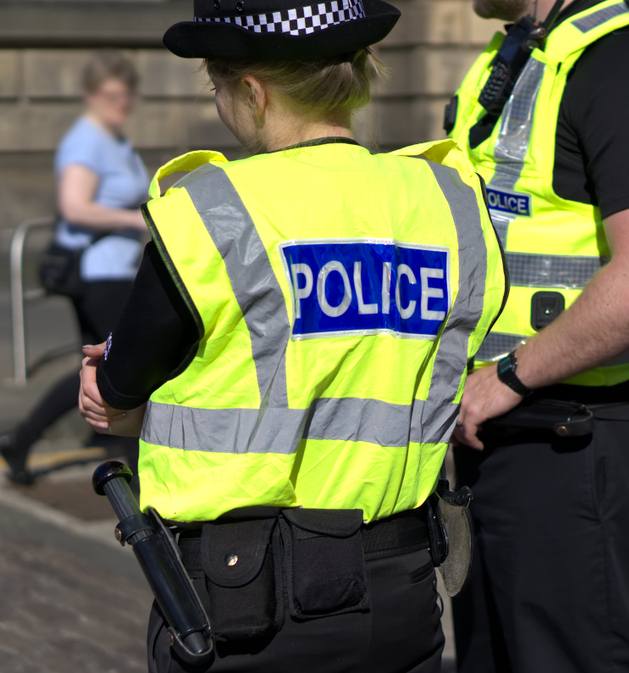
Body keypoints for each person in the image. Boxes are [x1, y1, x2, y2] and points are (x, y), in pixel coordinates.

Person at [76, 1, 508, 671]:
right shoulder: (445, 199)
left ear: (253, 90)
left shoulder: (213, 211)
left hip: (248, 605)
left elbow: (120, 391)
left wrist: (105, 391)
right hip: (402, 592)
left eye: (219, 87)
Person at [446, 0, 629, 671]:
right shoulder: (523, 52)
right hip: (506, 436)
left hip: (579, 445)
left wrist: (508, 376)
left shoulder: (628, 64)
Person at [0, 50, 147, 485]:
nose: (120, 105)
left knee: (97, 367)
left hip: (116, 269)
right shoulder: (86, 140)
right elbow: (74, 207)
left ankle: (22, 440)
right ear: (91, 95)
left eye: (125, 96)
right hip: (101, 275)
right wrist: (136, 219)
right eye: (110, 97)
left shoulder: (115, 139)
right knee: (126, 366)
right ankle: (141, 478)